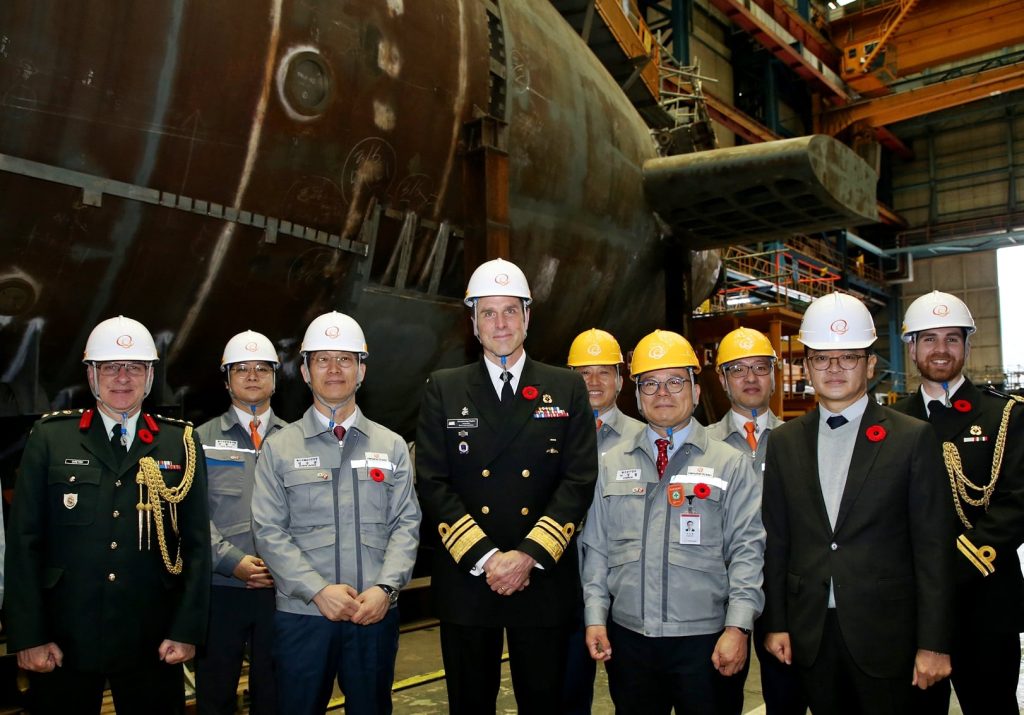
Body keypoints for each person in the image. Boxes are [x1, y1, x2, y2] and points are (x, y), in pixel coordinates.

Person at [415, 258, 598, 714]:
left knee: (544, 702)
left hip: (540, 578)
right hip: (469, 578)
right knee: (470, 703)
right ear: (473, 323)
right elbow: (433, 482)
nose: (501, 323)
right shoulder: (444, 388)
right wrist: (486, 558)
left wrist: (526, 557)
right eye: (489, 313)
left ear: (528, 317)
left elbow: (577, 481)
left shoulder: (567, 387)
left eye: (511, 311)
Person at [5, 315, 210, 715]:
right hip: (64, 638)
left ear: (149, 376)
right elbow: (24, 543)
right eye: (110, 367)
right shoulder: (51, 437)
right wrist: (28, 636)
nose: (122, 377)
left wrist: (186, 631)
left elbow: (197, 546)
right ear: (91, 374)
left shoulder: (179, 442)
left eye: (134, 367)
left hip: (151, 639)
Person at [762, 292, 955, 714]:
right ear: (806, 366)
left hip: (887, 636)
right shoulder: (783, 442)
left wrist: (935, 644)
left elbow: (932, 549)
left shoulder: (911, 437)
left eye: (848, 357)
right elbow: (777, 541)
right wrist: (776, 622)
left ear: (869, 365)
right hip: (811, 633)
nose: (834, 369)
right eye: (821, 358)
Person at [582, 329, 765, 715]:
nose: (662, 393)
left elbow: (748, 551)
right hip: (630, 642)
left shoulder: (728, 463)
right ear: (636, 394)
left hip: (705, 640)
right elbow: (596, 549)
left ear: (696, 392)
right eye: (649, 383)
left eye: (675, 381)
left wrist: (737, 628)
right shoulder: (612, 463)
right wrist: (595, 618)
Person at [252, 311, 420, 715]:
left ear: (361, 370)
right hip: (304, 617)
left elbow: (406, 524)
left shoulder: (392, 445)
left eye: (345, 359)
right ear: (306, 372)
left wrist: (386, 589)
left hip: (373, 613)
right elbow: (268, 530)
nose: (333, 369)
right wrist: (317, 590)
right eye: (321, 359)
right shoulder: (280, 448)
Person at [893, 290, 1024, 714]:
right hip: (912, 607)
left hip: (986, 600)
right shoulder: (890, 422)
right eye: (928, 338)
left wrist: (953, 565)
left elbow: (1017, 503)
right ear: (911, 347)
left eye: (952, 338)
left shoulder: (1005, 415)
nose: (941, 349)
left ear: (967, 344)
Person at [706, 327, 803, 715]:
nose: (750, 378)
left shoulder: (801, 442)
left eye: (760, 367)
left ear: (774, 374)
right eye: (738, 369)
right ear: (722, 378)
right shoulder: (704, 445)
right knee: (720, 698)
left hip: (786, 595)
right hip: (720, 596)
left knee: (787, 698)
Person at [195, 331, 287, 715]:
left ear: (275, 379)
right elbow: (193, 514)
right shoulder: (199, 440)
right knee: (215, 693)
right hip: (222, 590)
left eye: (262, 369)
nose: (252, 376)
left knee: (276, 692)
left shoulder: (296, 439)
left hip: (281, 592)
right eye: (242, 369)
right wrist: (233, 561)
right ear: (226, 378)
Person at [561, 328, 644, 714]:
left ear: (620, 380)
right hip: (566, 592)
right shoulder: (550, 438)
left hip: (625, 594)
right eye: (582, 374)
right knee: (566, 695)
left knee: (633, 697)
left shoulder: (646, 439)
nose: (593, 383)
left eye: (603, 373)